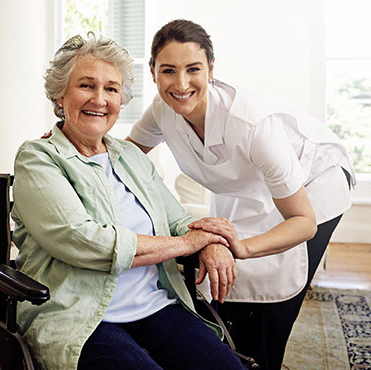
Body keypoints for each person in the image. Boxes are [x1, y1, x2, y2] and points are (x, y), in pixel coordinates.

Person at [127, 19, 356, 370]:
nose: (181, 83)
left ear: (211, 69)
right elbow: (124, 156)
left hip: (314, 182)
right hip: (250, 187)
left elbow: (303, 221)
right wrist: (70, 141)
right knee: (223, 282)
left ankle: (264, 360)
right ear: (153, 72)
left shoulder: (252, 125)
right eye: (168, 70)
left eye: (193, 69)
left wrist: (243, 246)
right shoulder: (162, 109)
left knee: (277, 283)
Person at [11, 33, 243, 370]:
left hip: (155, 306)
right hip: (80, 317)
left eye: (111, 89)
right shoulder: (38, 158)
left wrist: (210, 243)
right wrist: (185, 243)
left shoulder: (130, 156)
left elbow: (178, 220)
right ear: (60, 96)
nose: (100, 99)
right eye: (86, 86)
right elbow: (84, 241)